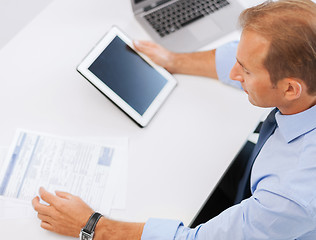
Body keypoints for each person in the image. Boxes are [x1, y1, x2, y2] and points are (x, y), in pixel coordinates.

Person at [32, 0, 316, 239]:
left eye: (246, 71)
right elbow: (240, 54)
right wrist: (172, 60)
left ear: (291, 89)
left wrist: (93, 225)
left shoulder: (290, 194)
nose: (233, 74)